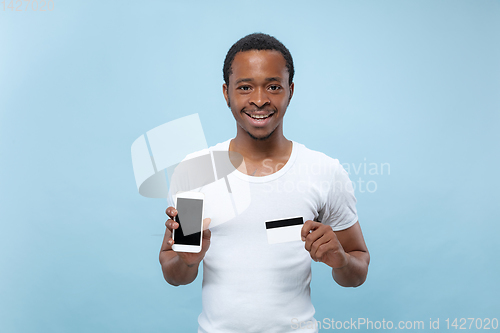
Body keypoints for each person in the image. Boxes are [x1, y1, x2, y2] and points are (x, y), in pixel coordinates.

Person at [159, 33, 370, 333]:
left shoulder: (324, 171)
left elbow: (358, 271)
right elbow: (174, 274)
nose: (259, 100)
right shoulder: (196, 171)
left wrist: (340, 261)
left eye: (273, 86)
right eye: (245, 87)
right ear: (226, 92)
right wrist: (187, 260)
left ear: (290, 91)